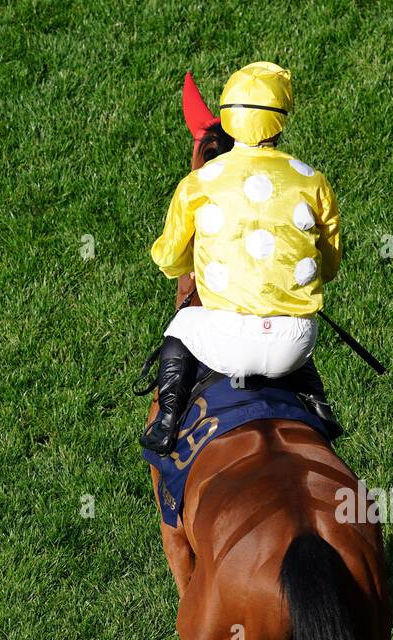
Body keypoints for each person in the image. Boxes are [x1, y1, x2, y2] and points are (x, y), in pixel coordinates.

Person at [140, 61, 342, 454]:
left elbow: (168, 258)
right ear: (279, 123)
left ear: (229, 119)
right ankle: (320, 406)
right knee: (296, 323)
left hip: (228, 344)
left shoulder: (198, 182)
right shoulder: (312, 179)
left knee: (181, 325)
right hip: (295, 345)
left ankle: (165, 422)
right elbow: (329, 265)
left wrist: (191, 263)